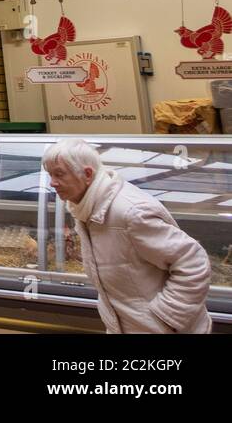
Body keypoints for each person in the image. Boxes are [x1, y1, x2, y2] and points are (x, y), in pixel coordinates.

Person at [42, 138, 211, 334]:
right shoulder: (87, 208)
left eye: (59, 174)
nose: (52, 183)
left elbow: (193, 262)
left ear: (87, 174)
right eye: (50, 175)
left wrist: (167, 317)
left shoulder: (130, 213)